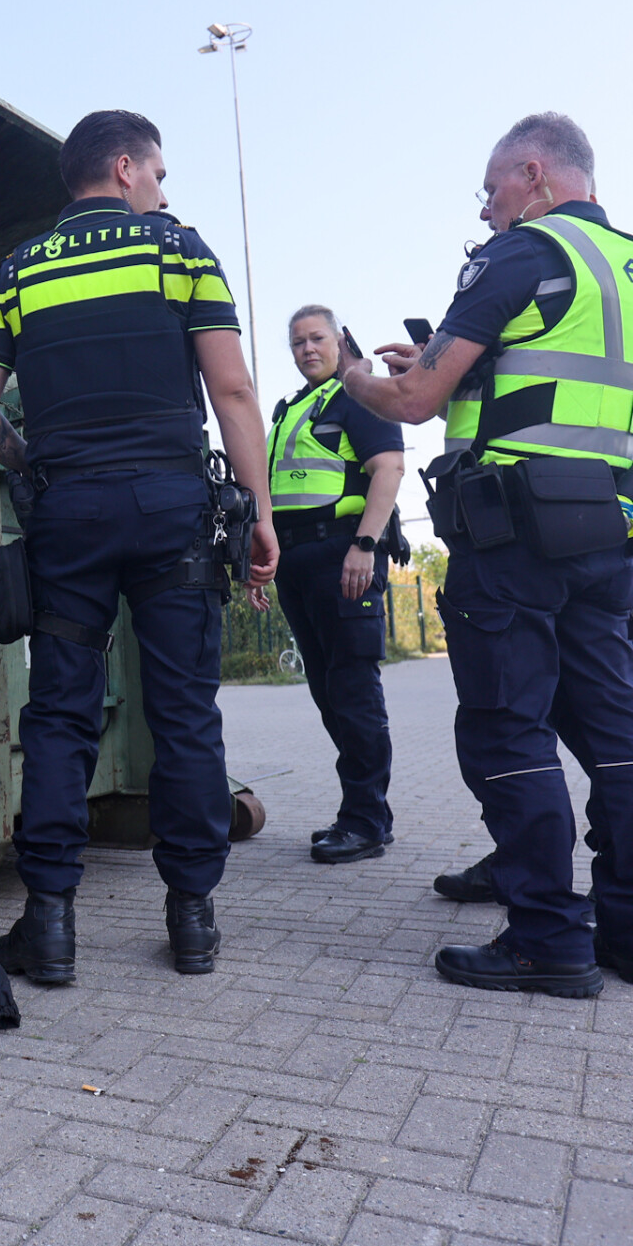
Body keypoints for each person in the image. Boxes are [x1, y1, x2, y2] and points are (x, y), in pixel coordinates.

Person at [339, 113, 633, 997]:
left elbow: (413, 402)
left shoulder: (522, 254)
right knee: (617, 734)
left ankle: (545, 936)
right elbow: (564, 382)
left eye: (491, 191)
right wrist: (464, 365)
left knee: (507, 726)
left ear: (533, 175)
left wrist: (348, 373)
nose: (486, 211)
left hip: (512, 537)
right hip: (604, 534)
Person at [0, 109, 279, 982]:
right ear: (126, 168)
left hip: (70, 516)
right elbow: (236, 392)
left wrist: (33, 465)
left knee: (60, 712)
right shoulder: (178, 251)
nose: (164, 191)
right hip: (173, 506)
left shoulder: (17, 272)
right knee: (183, 712)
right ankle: (193, 920)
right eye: (160, 174)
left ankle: (50, 925)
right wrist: (261, 514)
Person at [258, 306, 405, 864]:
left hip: (344, 558)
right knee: (329, 696)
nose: (306, 350)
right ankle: (365, 812)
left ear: (340, 339)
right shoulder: (293, 408)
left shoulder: (360, 393)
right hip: (298, 562)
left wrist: (365, 547)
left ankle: (365, 821)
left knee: (354, 693)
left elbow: (388, 469)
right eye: (297, 343)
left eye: (316, 338)